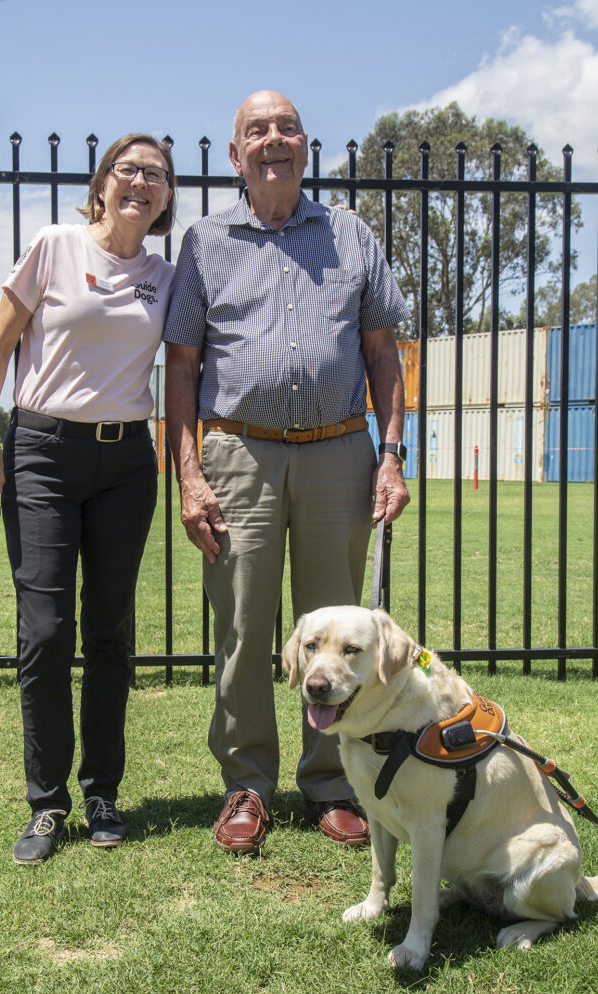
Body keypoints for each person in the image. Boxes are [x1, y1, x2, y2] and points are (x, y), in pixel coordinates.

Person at [164, 90, 410, 855]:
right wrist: (189, 476)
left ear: (306, 146)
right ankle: (246, 783)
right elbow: (180, 368)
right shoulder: (204, 243)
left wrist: (393, 452)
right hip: (237, 452)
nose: (274, 139)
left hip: (342, 451)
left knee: (337, 629)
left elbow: (382, 355)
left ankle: (332, 781)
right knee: (242, 626)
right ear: (236, 155)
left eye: (287, 128)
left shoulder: (352, 236)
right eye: (256, 131)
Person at [0, 134, 176, 864]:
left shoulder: (165, 275)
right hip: (45, 452)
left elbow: (186, 364)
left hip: (127, 462)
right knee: (48, 630)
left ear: (165, 198)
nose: (141, 183)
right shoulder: (54, 245)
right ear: (103, 181)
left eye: (155, 176)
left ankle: (102, 792)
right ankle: (47, 803)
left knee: (111, 631)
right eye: (129, 169)